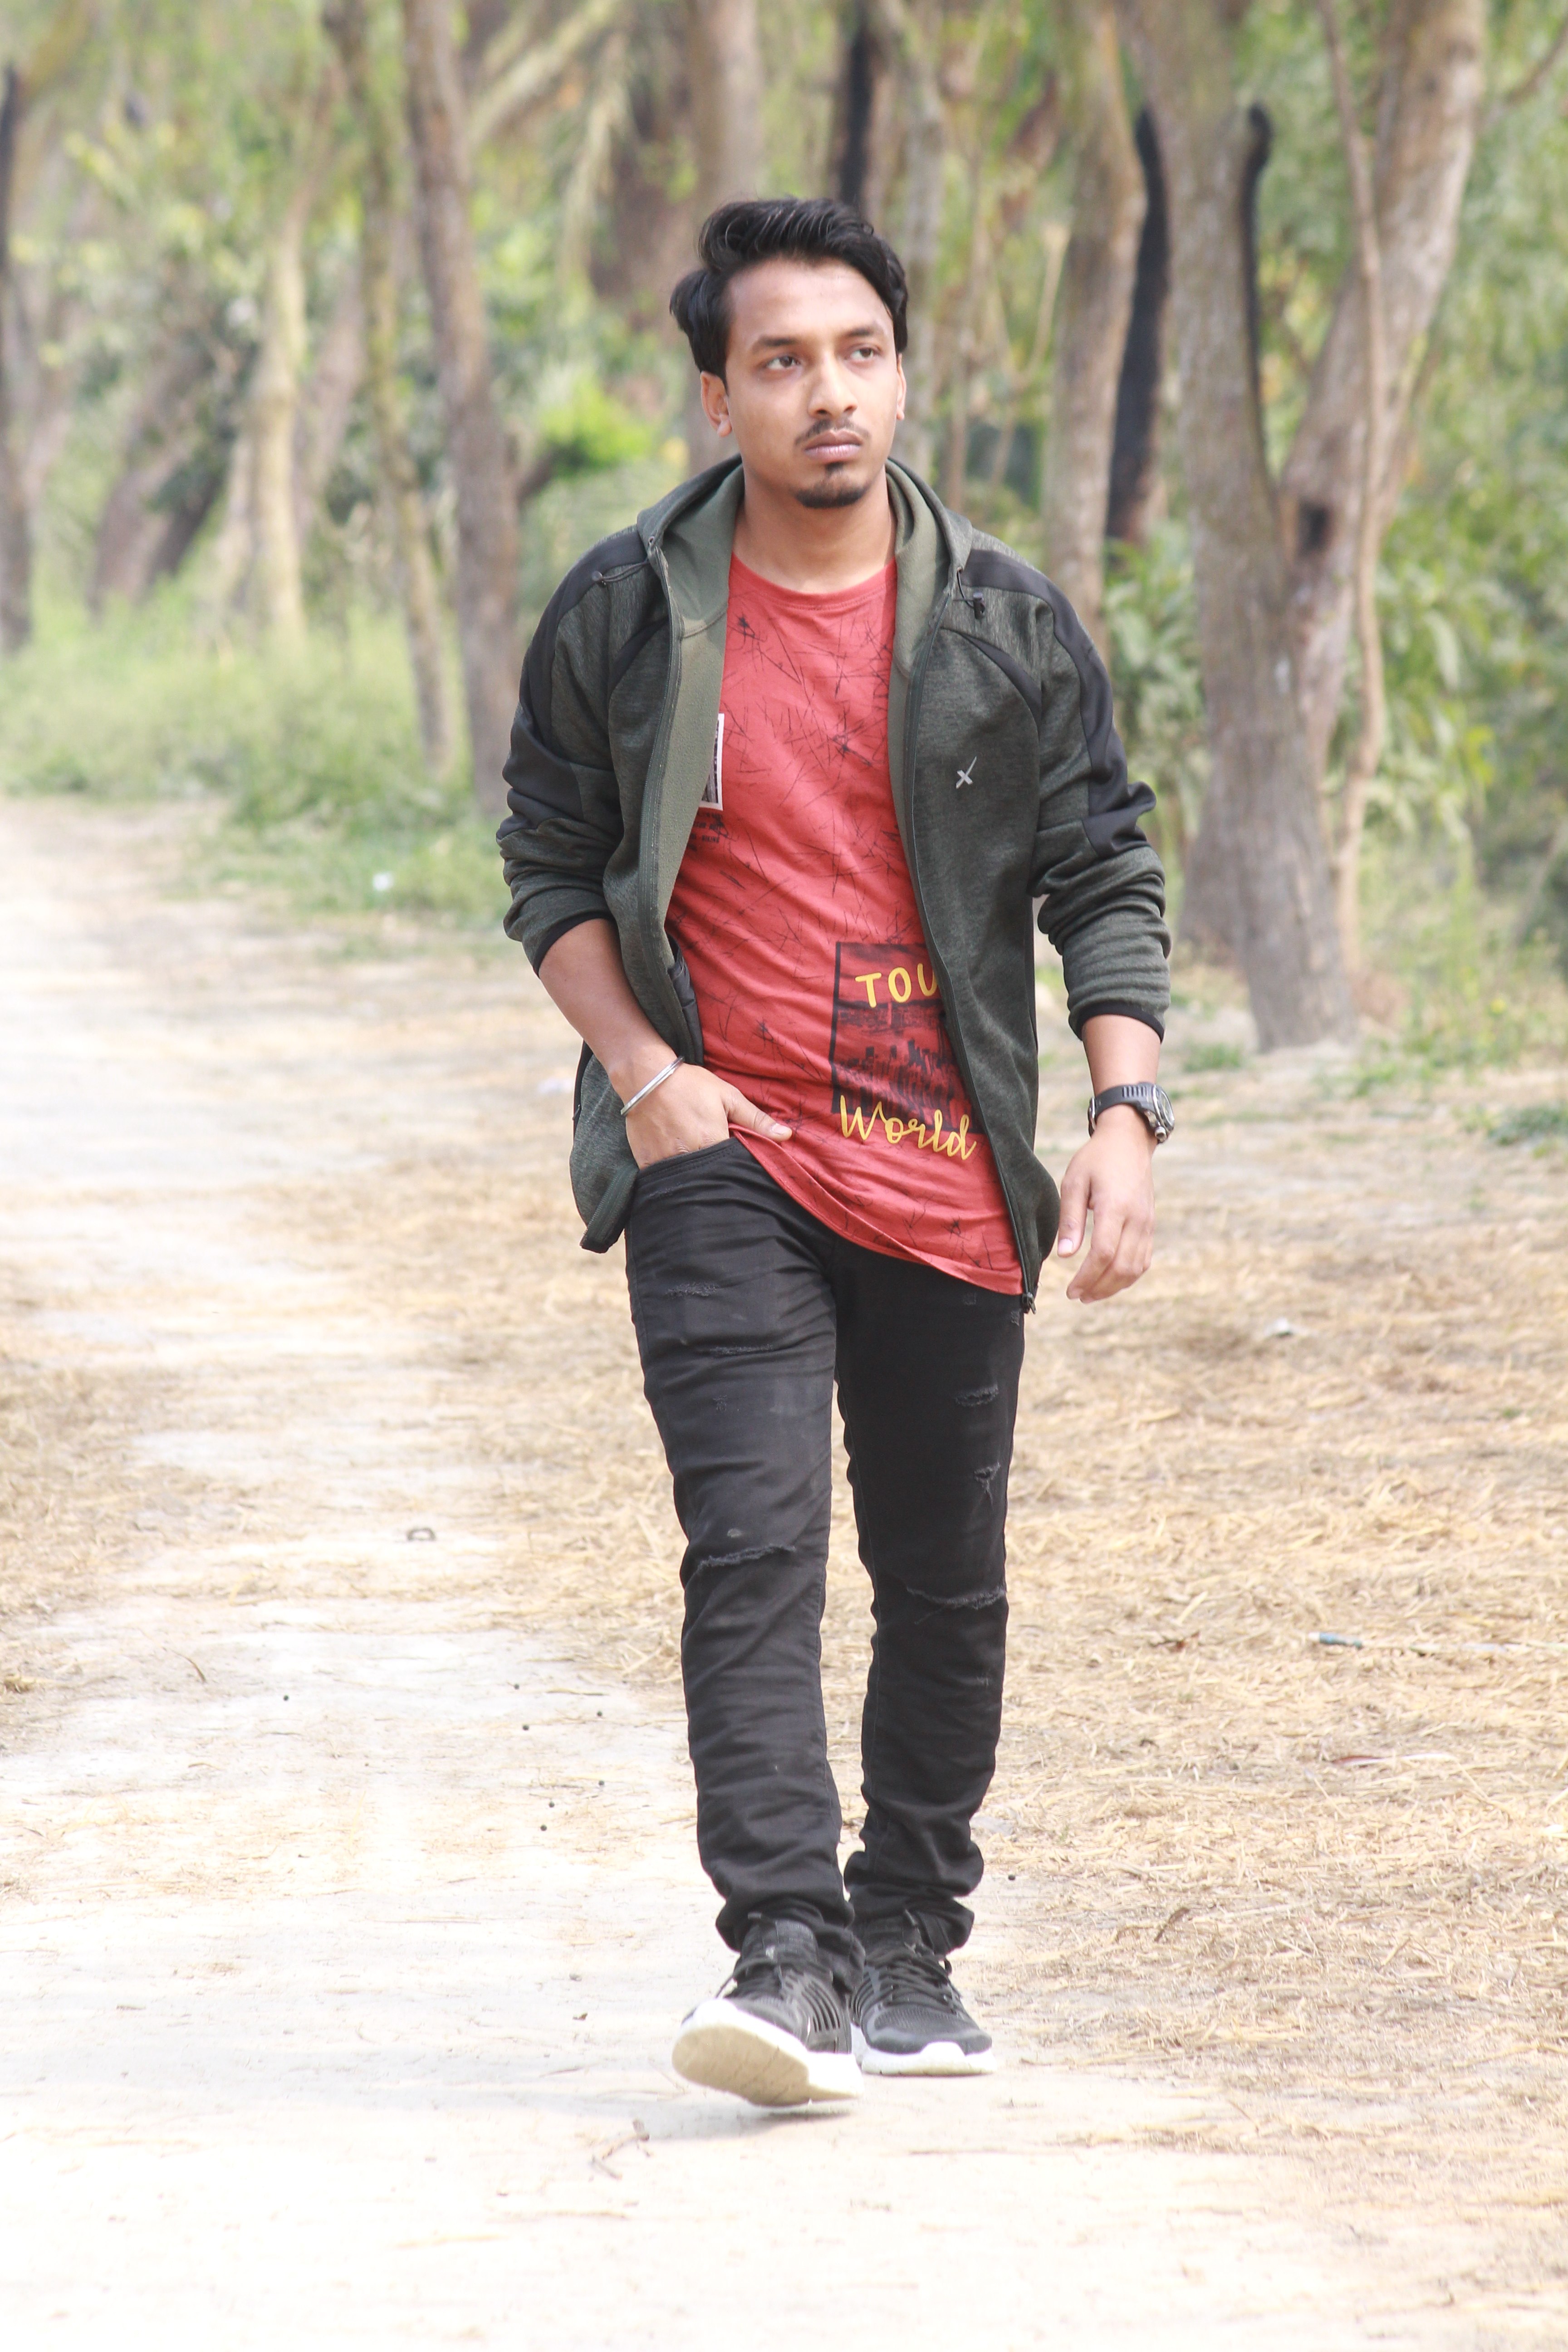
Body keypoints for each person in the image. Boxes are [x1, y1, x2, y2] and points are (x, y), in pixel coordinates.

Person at [498, 197, 1172, 2110]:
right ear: (716, 397)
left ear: (902, 375)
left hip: (948, 1168)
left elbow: (1103, 872)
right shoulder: (627, 614)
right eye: (781, 361)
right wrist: (646, 1071)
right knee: (755, 1545)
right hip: (724, 1148)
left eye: (859, 354)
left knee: (945, 1581)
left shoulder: (1004, 623)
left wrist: (1124, 1114)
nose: (829, 395)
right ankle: (784, 1955)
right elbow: (549, 866)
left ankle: (910, 1941)